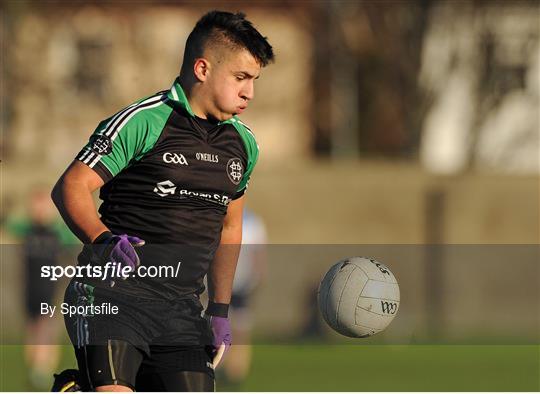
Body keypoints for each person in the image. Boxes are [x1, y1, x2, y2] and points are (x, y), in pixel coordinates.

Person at [51, 10, 274, 392]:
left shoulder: (243, 144)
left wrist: (220, 308)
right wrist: (102, 239)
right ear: (202, 69)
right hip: (110, 297)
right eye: (240, 78)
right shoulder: (144, 121)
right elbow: (71, 186)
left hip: (181, 311)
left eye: (254, 80)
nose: (249, 92)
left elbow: (230, 225)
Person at [5, 188, 77, 390]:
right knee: (31, 329)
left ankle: (44, 370)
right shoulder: (26, 229)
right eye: (35, 205)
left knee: (46, 329)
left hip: (50, 289)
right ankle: (34, 369)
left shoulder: (58, 232)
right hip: (30, 288)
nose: (39, 210)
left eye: (43, 206)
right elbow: (8, 223)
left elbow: (74, 244)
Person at [222, 208, 267, 386]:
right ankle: (219, 366)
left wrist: (258, 278)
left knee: (241, 330)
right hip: (219, 283)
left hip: (243, 284)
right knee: (217, 327)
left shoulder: (253, 221)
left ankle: (237, 372)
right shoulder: (218, 215)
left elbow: (259, 254)